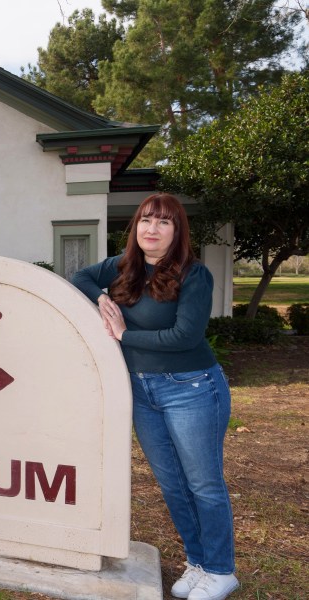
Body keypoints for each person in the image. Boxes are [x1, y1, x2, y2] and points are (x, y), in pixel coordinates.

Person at [72, 193, 239, 600]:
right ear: (136, 227)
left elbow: (185, 337)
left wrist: (124, 334)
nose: (152, 229)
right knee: (172, 484)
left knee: (204, 485)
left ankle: (221, 570)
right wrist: (102, 298)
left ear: (177, 231)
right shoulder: (121, 267)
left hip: (192, 387)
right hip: (142, 390)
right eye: (147, 220)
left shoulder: (194, 275)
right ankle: (198, 563)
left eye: (164, 222)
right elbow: (80, 277)